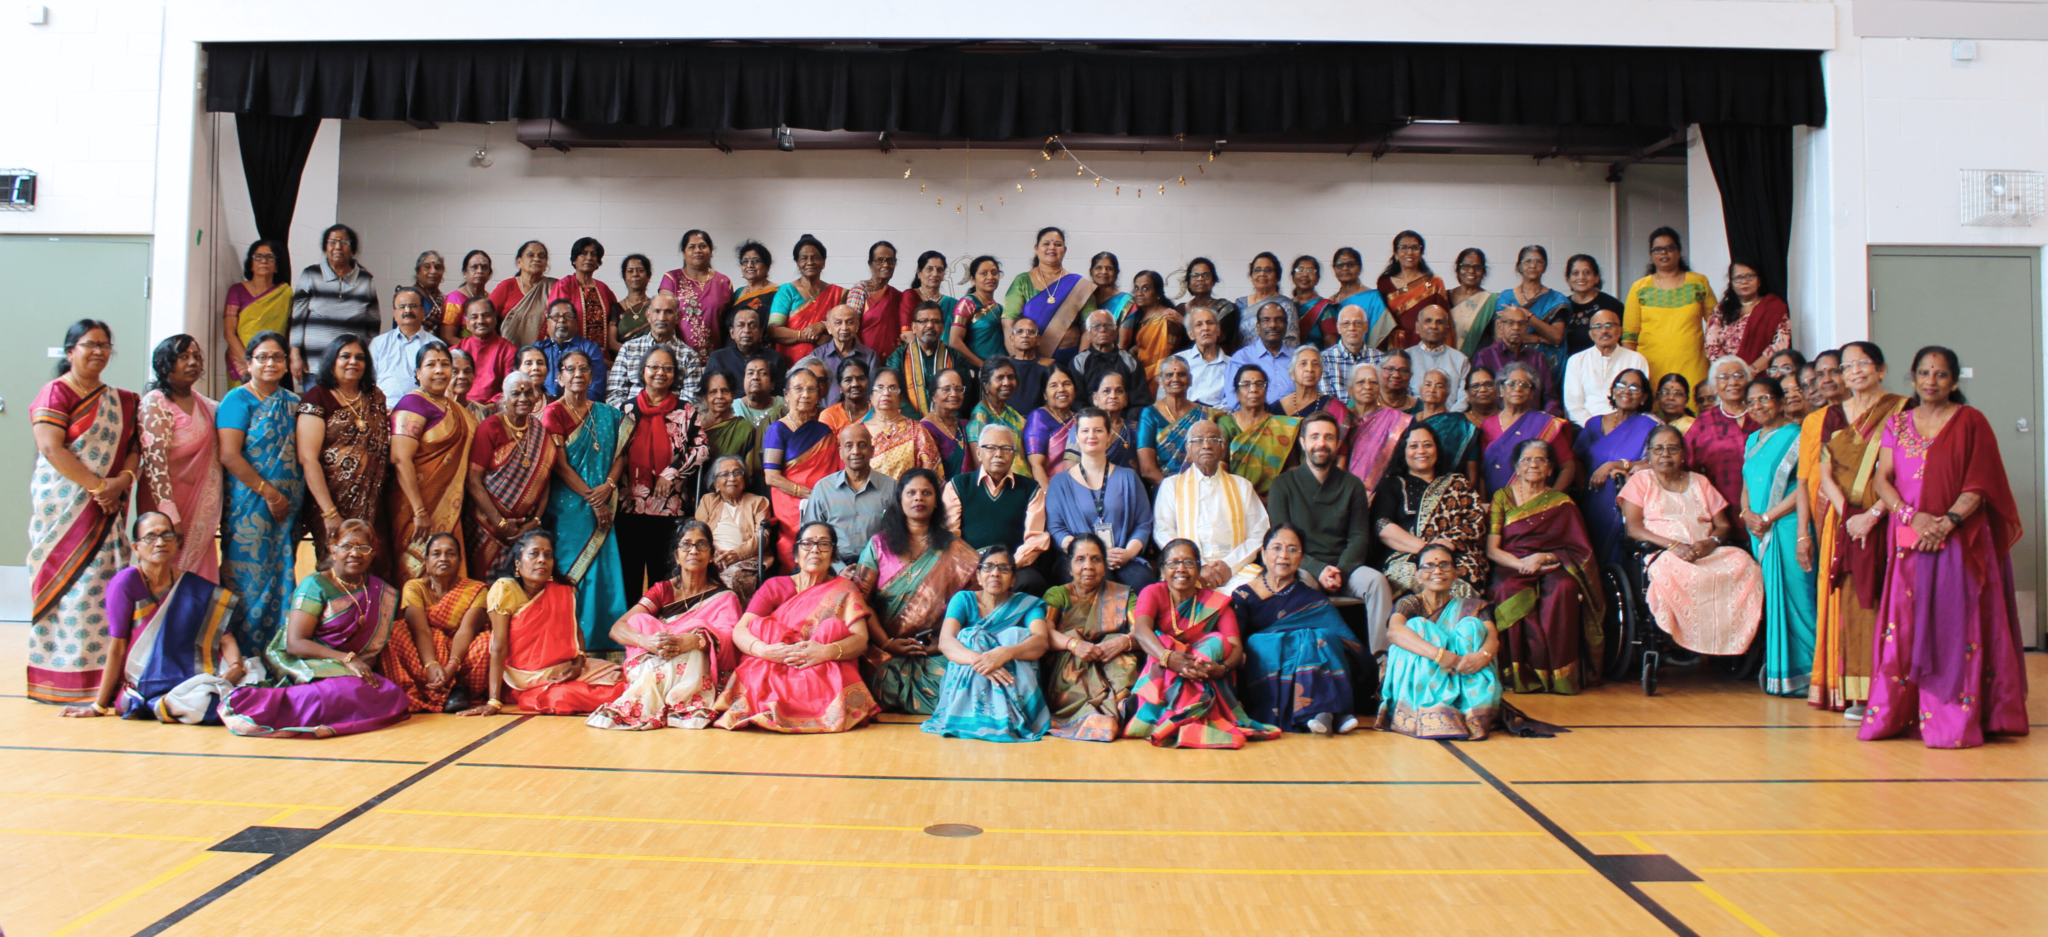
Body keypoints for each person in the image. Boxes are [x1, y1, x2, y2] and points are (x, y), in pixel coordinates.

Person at [1860, 346, 2027, 749]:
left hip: (1961, 539)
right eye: (1924, 373)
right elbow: (1883, 479)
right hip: (1909, 538)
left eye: (1940, 374)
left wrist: (1946, 523)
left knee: (1956, 626)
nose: (1931, 381)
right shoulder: (1897, 424)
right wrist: (1911, 516)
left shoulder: (1971, 422)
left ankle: (1954, 720)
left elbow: (1982, 483)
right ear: (1913, 378)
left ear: (1953, 382)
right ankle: (1895, 714)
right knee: (1906, 625)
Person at [221, 519, 412, 737]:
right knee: (343, 691)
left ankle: (333, 711)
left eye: (364, 548)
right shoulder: (315, 585)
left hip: (351, 669)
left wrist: (357, 663)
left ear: (373, 553)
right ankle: (270, 706)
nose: (355, 553)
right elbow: (295, 644)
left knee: (390, 694)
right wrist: (347, 659)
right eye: (347, 546)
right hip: (312, 661)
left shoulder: (378, 590)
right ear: (333, 549)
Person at [61, 512, 248, 722]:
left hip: (193, 675)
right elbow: (117, 646)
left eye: (167, 535)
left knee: (250, 686)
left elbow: (225, 639)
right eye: (151, 537)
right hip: (148, 679)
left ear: (176, 542)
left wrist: (236, 667)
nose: (160, 543)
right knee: (207, 704)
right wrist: (98, 706)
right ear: (136, 547)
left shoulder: (194, 587)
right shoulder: (126, 583)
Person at [1807, 341, 1906, 717]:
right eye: (1847, 367)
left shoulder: (1902, 410)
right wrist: (1848, 515)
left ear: (1881, 370)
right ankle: (1860, 693)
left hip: (1889, 519)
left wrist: (1874, 514)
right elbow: (1825, 473)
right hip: (1846, 524)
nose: (1854, 371)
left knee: (1890, 599)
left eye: (1862, 364)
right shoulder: (1834, 415)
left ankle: (1895, 690)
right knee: (1852, 602)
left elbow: (1906, 471)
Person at [713, 522, 881, 733]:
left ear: (833, 556)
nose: (815, 550)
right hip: (775, 662)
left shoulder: (845, 589)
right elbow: (741, 630)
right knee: (763, 627)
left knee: (832, 628)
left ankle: (804, 707)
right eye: (807, 543)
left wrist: (825, 651)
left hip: (821, 668)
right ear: (795, 555)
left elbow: (860, 639)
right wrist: (764, 650)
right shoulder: (775, 586)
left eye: (824, 544)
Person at [1621, 425, 1764, 659]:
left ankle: (1729, 640)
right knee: (1675, 572)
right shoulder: (1640, 481)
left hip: (1706, 551)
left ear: (1683, 454)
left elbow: (1723, 525)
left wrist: (1711, 543)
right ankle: (1690, 636)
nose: (1665, 454)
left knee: (1745, 563)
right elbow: (1634, 528)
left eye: (1672, 448)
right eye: (1658, 449)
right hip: (1664, 553)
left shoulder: (1700, 482)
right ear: (1649, 454)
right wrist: (1673, 546)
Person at [854, 469, 989, 715]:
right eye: (911, 493)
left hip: (936, 649)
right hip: (882, 650)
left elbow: (975, 603)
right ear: (900, 499)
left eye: (926, 493)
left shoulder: (955, 549)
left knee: (965, 682)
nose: (919, 498)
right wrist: (887, 642)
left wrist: (941, 643)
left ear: (936, 501)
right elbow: (859, 601)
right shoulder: (879, 545)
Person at [587, 520, 744, 730]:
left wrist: (696, 640)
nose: (693, 551)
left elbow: (729, 639)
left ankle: (659, 699)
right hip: (660, 656)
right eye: (686, 544)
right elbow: (618, 628)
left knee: (699, 633)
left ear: (711, 555)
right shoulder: (663, 590)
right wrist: (647, 642)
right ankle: (657, 696)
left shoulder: (725, 598)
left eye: (701, 544)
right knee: (639, 620)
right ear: (676, 556)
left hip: (696, 668)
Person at [1125, 539, 1280, 749]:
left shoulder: (1217, 602)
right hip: (1165, 667)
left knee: (1216, 642)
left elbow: (1235, 646)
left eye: (1189, 563)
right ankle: (1190, 717)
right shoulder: (1153, 593)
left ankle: (1171, 719)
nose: (1181, 569)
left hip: (1206, 672)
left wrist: (1223, 668)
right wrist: (1169, 658)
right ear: (1162, 570)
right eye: (1173, 563)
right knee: (1161, 639)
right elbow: (1142, 631)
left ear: (1199, 570)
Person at [1267, 413, 1395, 662]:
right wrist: (1319, 570)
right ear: (1303, 442)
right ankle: (1312, 661)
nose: (1321, 443)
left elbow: (1359, 537)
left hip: (1344, 568)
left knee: (1377, 582)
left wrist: (1339, 572)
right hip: (1303, 568)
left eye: (1328, 437)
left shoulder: (1352, 485)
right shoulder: (1283, 485)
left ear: (1337, 444)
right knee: (1301, 584)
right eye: (1314, 437)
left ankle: (1383, 663)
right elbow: (1283, 544)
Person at [462, 529, 625, 717]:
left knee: (623, 677)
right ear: (517, 562)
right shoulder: (505, 590)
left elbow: (577, 632)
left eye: (548, 555)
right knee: (563, 697)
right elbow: (498, 647)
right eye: (534, 554)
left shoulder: (562, 590)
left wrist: (578, 665)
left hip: (565, 668)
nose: (542, 560)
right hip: (526, 677)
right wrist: (493, 701)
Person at [1485, 438, 1603, 694]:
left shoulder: (1562, 502)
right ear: (1517, 467)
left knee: (1565, 588)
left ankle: (1559, 677)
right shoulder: (1502, 497)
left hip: (1552, 564)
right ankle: (1518, 675)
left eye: (1541, 460)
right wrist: (1522, 564)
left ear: (1550, 469)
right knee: (1506, 590)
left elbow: (1579, 549)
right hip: (1511, 564)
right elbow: (1492, 549)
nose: (1533, 465)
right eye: (1527, 460)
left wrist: (1543, 558)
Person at [216, 330, 304, 660]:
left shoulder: (294, 403)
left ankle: (278, 654)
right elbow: (229, 455)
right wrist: (269, 493)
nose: (270, 363)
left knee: (282, 577)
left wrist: (286, 501)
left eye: (278, 357)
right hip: (249, 506)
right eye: (262, 357)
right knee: (247, 580)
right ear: (248, 363)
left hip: (288, 511)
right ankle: (240, 656)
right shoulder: (237, 400)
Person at [539, 350, 630, 653]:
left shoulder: (608, 414)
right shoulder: (553, 413)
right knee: (571, 570)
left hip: (604, 498)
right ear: (559, 377)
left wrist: (609, 485)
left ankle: (605, 646)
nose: (577, 374)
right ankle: (568, 647)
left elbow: (620, 456)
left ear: (592, 376)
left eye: (583, 369)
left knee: (602, 573)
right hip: (568, 510)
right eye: (570, 369)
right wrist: (596, 502)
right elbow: (561, 466)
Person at [1231, 525, 1362, 734]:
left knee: (1322, 637)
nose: (1284, 555)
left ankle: (1324, 712)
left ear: (1301, 559)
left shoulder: (1312, 598)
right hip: (1262, 664)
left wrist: (1306, 638)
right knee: (1264, 642)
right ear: (1263, 554)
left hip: (1305, 659)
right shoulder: (1244, 595)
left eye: (1292, 549)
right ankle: (1330, 712)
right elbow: (1235, 639)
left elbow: (1346, 640)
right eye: (1276, 548)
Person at [919, 545, 1053, 742]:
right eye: (988, 567)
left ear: (1014, 579)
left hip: (1012, 678)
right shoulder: (963, 599)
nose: (995, 573)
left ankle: (1010, 717)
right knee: (970, 637)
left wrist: (1004, 653)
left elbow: (1041, 641)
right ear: (979, 577)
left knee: (1016, 635)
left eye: (1004, 568)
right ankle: (972, 716)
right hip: (974, 669)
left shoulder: (1027, 604)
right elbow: (946, 642)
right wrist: (982, 661)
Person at [1739, 377, 1817, 698]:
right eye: (1751, 402)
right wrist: (1746, 513)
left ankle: (1815, 676)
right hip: (1759, 531)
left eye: (1764, 399)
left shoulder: (1799, 436)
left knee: (1801, 600)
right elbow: (1746, 486)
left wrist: (1768, 517)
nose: (1757, 406)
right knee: (1775, 603)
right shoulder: (1752, 440)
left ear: (1781, 401)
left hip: (1788, 528)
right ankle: (1786, 677)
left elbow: (1805, 487)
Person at [1379, 543, 1502, 740]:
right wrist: (1440, 655)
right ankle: (1430, 709)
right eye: (1428, 566)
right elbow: (1394, 632)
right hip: (1423, 677)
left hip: (1464, 671)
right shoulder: (1409, 603)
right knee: (1418, 626)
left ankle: (1469, 711)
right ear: (1418, 575)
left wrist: (1483, 655)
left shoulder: (1474, 606)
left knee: (1471, 626)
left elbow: (1492, 637)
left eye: (1444, 565)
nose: (1437, 571)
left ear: (1456, 573)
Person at [293, 333, 390, 571]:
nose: (353, 362)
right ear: (331, 362)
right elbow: (308, 459)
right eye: (345, 356)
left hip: (372, 503)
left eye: (360, 357)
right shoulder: (318, 396)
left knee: (372, 565)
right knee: (335, 566)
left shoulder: (375, 397)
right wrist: (329, 513)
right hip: (331, 501)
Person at [616, 347, 708, 593]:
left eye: (667, 368)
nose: (660, 373)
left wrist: (671, 473)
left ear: (675, 374)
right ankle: (633, 618)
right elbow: (614, 453)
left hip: (670, 505)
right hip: (629, 504)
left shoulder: (686, 411)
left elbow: (701, 449)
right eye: (654, 367)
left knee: (664, 577)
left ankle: (662, 617)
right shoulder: (625, 411)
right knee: (629, 576)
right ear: (642, 372)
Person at [388, 342, 479, 585]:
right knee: (415, 572)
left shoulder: (459, 411)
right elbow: (399, 458)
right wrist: (419, 511)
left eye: (445, 364)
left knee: (448, 572)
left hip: (450, 506)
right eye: (431, 364)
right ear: (418, 373)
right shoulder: (412, 404)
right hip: (414, 507)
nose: (439, 370)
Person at [136, 335, 222, 583]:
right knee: (164, 570)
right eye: (183, 357)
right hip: (166, 506)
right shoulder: (156, 403)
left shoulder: (208, 406)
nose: (192, 362)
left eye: (196, 356)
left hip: (200, 511)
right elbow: (155, 466)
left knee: (200, 580)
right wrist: (170, 517)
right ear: (165, 364)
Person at [1040, 535, 1139, 741]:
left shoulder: (1123, 595)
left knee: (1121, 644)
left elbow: (1141, 632)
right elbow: (1043, 634)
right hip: (1073, 671)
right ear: (1069, 567)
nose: (1088, 566)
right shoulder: (1058, 595)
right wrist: (1074, 644)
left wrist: (1123, 641)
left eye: (1096, 559)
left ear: (1104, 565)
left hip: (1110, 664)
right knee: (1071, 641)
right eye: (1080, 559)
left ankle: (1121, 704)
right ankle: (1087, 714)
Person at [1046, 408, 1156, 590]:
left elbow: (1143, 523)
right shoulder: (1060, 483)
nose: (1091, 436)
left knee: (1142, 581)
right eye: (1085, 431)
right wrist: (1088, 554)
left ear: (1109, 435)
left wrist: (1128, 553)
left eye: (1098, 430)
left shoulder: (1129, 478)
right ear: (1076, 437)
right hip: (1077, 559)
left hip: (1122, 556)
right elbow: (1056, 529)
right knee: (1099, 579)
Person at [1373, 423, 1489, 595]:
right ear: (1403, 451)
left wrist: (1449, 544)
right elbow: (1382, 526)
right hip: (1407, 555)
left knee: (1459, 580)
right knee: (1409, 576)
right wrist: (1428, 550)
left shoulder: (1457, 483)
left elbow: (1475, 522)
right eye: (1414, 446)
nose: (1421, 451)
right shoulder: (1393, 484)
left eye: (1427, 445)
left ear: (1437, 450)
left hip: (1456, 556)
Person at [1153, 420, 1269, 592]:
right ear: (1188, 449)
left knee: (1260, 591)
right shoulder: (1171, 485)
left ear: (1223, 449)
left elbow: (1260, 532)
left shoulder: (1242, 486)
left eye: (1214, 440)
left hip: (1236, 571)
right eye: (1198, 440)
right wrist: (1198, 566)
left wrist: (1229, 565)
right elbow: (1163, 531)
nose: (1206, 446)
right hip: (1187, 569)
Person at [382, 532, 491, 714]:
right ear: (426, 561)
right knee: (394, 631)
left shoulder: (476, 589)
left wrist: (452, 666)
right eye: (436, 554)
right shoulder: (414, 587)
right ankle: (432, 691)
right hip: (424, 653)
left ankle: (457, 688)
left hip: (461, 654)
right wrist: (430, 664)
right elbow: (420, 630)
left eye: (450, 553)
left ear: (460, 561)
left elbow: (466, 630)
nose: (443, 559)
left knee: (488, 641)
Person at [464, 371, 554, 582]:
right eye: (516, 394)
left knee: (522, 583)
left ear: (536, 397)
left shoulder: (539, 431)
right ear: (504, 398)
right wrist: (501, 524)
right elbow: (473, 481)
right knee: (487, 585)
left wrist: (536, 520)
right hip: (487, 526)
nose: (523, 399)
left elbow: (545, 478)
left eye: (528, 393)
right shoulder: (490, 428)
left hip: (526, 528)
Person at [1574, 368, 1659, 565]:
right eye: (1621, 385)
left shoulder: (1649, 425)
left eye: (1635, 388)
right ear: (1613, 391)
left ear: (1644, 397)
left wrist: (1616, 465)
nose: (1626, 391)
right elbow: (1575, 458)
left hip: (1626, 502)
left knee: (1617, 560)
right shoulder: (1594, 424)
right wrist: (1584, 486)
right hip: (1593, 502)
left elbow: (1655, 461)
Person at [763, 368, 843, 569]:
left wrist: (821, 498)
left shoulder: (824, 432)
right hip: (791, 505)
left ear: (818, 396)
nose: (805, 394)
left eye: (811, 389)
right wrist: (806, 494)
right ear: (786, 395)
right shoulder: (777, 430)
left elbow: (836, 472)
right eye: (798, 389)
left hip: (825, 502)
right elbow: (771, 477)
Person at [1623, 226, 1713, 390]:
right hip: (1651, 367)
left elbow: (1717, 325)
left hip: (1693, 364)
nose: (1664, 253)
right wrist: (1632, 372)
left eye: (1669, 248)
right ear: (1651, 255)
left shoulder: (1699, 283)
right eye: (1658, 249)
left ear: (1679, 252)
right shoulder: (1640, 288)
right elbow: (1629, 337)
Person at [288, 223, 380, 382]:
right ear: (325, 248)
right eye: (332, 242)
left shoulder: (365, 280)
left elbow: (373, 326)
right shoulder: (310, 275)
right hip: (315, 364)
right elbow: (297, 320)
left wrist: (366, 359)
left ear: (352, 250)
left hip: (352, 366)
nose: (338, 247)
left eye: (344, 242)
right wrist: (295, 355)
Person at [1480, 362, 1576, 494]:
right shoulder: (1487, 424)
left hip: (1536, 501)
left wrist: (1550, 498)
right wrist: (1484, 501)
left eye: (1524, 385)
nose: (1518, 389)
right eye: (1511, 384)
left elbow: (1568, 467)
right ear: (1501, 390)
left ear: (1532, 393)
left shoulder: (1545, 423)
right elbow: (1481, 471)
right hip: (1495, 501)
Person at [1686, 356, 1762, 512]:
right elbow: (1686, 465)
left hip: (1768, 506)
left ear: (1749, 381)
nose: (1733, 382)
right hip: (1721, 510)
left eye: (1739, 376)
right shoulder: (1704, 423)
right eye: (1724, 377)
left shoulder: (1762, 414)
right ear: (1714, 386)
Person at [1005, 227, 1092, 362]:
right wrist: (1020, 361)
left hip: (1071, 358)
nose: (1052, 247)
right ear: (1036, 249)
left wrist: (1081, 362)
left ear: (1064, 250)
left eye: (1058, 244)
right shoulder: (1022, 281)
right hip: (1032, 360)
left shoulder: (1079, 285)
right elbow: (1008, 325)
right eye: (1046, 243)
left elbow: (1090, 328)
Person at [1218, 364, 1300, 498]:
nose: (1253, 389)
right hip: (1235, 498)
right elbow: (1221, 469)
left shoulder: (1282, 427)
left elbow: (1292, 469)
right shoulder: (1226, 424)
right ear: (1237, 394)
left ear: (1266, 391)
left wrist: (1276, 499)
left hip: (1274, 500)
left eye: (1259, 384)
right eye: (1246, 385)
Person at [610, 295, 707, 408]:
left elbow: (692, 401)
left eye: (668, 312)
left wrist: (669, 418)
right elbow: (614, 394)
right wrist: (629, 415)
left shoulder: (689, 355)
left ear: (678, 317)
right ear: (648, 315)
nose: (662, 318)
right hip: (631, 416)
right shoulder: (629, 349)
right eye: (657, 311)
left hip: (674, 416)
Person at [695, 455, 770, 600]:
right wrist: (713, 554)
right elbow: (698, 533)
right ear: (716, 484)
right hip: (711, 556)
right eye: (724, 474)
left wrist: (736, 555)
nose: (732, 478)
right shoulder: (708, 501)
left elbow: (763, 537)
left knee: (731, 581)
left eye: (737, 473)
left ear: (744, 480)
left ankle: (729, 614)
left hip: (745, 560)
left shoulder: (758, 502)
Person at [767, 234, 846, 366]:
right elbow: (774, 330)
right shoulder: (786, 291)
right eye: (804, 258)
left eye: (815, 257)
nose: (810, 262)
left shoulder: (838, 294)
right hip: (790, 366)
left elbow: (845, 327)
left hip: (827, 366)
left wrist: (823, 325)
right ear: (798, 264)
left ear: (823, 263)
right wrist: (809, 336)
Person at [1563, 308, 1651, 424]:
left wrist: (1619, 427)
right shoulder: (1576, 361)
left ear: (1620, 331)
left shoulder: (1636, 359)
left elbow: (1640, 400)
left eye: (1609, 325)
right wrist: (1596, 427)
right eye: (1598, 327)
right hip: (1587, 427)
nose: (1604, 330)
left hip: (1627, 426)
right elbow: (1573, 406)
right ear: (1591, 334)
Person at [1473, 305, 1563, 418]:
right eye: (1510, 323)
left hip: (1534, 421)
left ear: (1527, 328)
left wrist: (1546, 418)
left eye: (1521, 323)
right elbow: (1480, 397)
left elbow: (1550, 397)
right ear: (1500, 326)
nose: (1516, 327)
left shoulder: (1537, 358)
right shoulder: (1485, 356)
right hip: (1498, 421)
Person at [1703, 260, 1790, 375]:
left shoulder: (1774, 308)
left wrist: (1752, 370)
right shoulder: (1721, 311)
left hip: (1763, 375)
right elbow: (1711, 345)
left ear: (1759, 280)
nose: (1744, 281)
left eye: (1749, 276)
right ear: (1731, 283)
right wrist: (1732, 371)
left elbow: (1780, 344)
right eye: (1738, 278)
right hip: (1727, 375)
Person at [1135, 356, 1212, 485]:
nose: (1175, 379)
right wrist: (1173, 490)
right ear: (1161, 382)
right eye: (1169, 375)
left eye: (1181, 374)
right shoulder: (1149, 414)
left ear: (1190, 380)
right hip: (1162, 488)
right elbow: (1147, 469)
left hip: (1201, 486)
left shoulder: (1204, 413)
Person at [1495, 245, 1571, 376]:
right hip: (1512, 366)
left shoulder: (1556, 300)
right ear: (1519, 267)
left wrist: (1528, 316)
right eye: (1528, 261)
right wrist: (1539, 338)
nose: (1533, 265)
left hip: (1547, 368)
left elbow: (1557, 337)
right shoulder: (1506, 297)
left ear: (1545, 267)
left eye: (1538, 261)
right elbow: (1501, 337)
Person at [223, 239, 291, 385]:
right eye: (258, 257)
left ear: (276, 267)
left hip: (271, 361)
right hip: (241, 360)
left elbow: (288, 332)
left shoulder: (285, 294)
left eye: (269, 257)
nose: (263, 261)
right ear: (251, 264)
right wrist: (248, 362)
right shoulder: (237, 291)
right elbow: (229, 333)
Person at [1343, 362, 1412, 500]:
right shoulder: (1340, 419)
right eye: (1361, 382)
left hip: (1382, 495)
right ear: (1350, 390)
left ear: (1380, 388)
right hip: (1341, 493)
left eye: (1373, 382)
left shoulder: (1396, 420)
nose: (1368, 387)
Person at [657, 230, 731, 357]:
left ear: (711, 252)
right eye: (692, 247)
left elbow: (728, 323)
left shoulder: (724, 282)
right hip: (679, 356)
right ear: (684, 253)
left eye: (702, 246)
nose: (698, 250)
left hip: (715, 357)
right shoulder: (672, 279)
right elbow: (664, 318)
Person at [1375, 231, 1450, 352]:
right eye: (1404, 247)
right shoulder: (1384, 283)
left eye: (1415, 247)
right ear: (1396, 253)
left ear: (1421, 253)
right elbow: (1380, 323)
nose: (1409, 252)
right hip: (1394, 348)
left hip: (1426, 347)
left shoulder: (1434, 283)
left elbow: (1445, 321)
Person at [547, 236, 621, 354]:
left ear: (598, 263)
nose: (589, 258)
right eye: (583, 253)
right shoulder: (564, 286)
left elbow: (615, 321)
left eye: (593, 254)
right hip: (571, 354)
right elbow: (555, 323)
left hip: (601, 357)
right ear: (574, 260)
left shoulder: (603, 289)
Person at [864, 368, 942, 478]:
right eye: (880, 387)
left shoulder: (917, 431)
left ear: (901, 397)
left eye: (893, 388)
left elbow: (932, 475)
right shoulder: (858, 432)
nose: (886, 393)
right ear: (870, 396)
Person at [886, 300, 956, 419]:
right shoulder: (898, 357)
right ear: (914, 327)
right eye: (923, 321)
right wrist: (920, 423)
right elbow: (894, 392)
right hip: (908, 423)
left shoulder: (955, 357)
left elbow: (962, 393)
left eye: (935, 321)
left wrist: (942, 422)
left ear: (943, 328)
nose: (929, 325)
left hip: (947, 422)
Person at [696, 370, 760, 496]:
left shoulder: (744, 430)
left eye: (725, 391)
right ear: (705, 397)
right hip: (695, 492)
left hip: (732, 494)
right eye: (713, 392)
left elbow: (750, 474)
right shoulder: (694, 427)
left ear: (733, 395)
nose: (720, 396)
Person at [1073, 310, 1151, 409]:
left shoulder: (1130, 361)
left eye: (1108, 325)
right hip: (1090, 417)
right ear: (1088, 334)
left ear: (1116, 331)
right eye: (1096, 326)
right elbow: (1076, 402)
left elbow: (1141, 400)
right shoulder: (1079, 362)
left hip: (1125, 417)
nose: (1103, 329)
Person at [966, 356, 1030, 476]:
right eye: (1000, 378)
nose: (1007, 383)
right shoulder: (980, 417)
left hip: (1024, 481)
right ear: (986, 385)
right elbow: (981, 464)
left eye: (1011, 377)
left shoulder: (1012, 413)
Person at [370, 287, 437, 400]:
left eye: (413, 306)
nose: (407, 311)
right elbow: (369, 380)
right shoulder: (378, 343)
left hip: (423, 408)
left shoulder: (435, 345)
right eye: (402, 307)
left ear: (423, 312)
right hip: (385, 407)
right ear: (395, 314)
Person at [1227, 301, 1298, 407]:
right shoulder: (1241, 358)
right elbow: (1233, 398)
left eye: (1279, 320)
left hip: (1295, 416)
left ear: (1286, 326)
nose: (1273, 325)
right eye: (1266, 320)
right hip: (1254, 415)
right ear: (1258, 326)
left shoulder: (1298, 358)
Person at [537, 299, 610, 401]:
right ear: (547, 322)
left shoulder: (590, 350)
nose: (561, 320)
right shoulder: (538, 349)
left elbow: (594, 391)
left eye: (568, 316)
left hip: (578, 407)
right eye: (555, 316)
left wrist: (565, 407)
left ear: (576, 322)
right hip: (540, 407)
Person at [491, 240, 558, 349]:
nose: (536, 259)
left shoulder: (555, 286)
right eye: (530, 255)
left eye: (541, 256)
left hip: (546, 352)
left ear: (546, 264)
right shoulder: (507, 286)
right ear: (519, 262)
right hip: (509, 352)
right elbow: (487, 315)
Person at [843, 241, 904, 358]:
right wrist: (862, 358)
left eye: (890, 260)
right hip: (865, 359)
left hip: (893, 361)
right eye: (880, 260)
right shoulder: (861, 289)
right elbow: (850, 326)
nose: (885, 265)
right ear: (870, 264)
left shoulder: (897, 295)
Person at [452, 297, 518, 407]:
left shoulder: (508, 351)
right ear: (467, 323)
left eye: (486, 315)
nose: (480, 321)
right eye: (474, 317)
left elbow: (510, 388)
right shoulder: (456, 350)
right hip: (457, 407)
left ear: (495, 319)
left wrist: (486, 409)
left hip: (491, 409)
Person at [1127, 270, 1188, 386]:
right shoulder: (1138, 317)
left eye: (1145, 289)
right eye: (1136, 288)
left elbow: (1161, 361)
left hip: (1157, 382)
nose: (1139, 293)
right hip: (1138, 378)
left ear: (1158, 293)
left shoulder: (1165, 321)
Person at [707, 307, 783, 400]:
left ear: (760, 333)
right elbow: (708, 394)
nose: (746, 330)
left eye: (752, 325)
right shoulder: (717, 358)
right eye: (740, 325)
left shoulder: (775, 358)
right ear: (732, 333)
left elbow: (780, 397)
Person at [1404, 305, 1471, 412]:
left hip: (1450, 419)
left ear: (1447, 329)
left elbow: (1464, 398)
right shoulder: (1405, 358)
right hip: (1414, 418)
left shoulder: (1460, 360)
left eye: (1439, 322)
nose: (1433, 326)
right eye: (1428, 321)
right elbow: (1402, 397)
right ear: (1417, 327)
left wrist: (1447, 418)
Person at [1559, 254, 1625, 361]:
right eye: (1576, 273)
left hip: (1608, 364)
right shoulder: (1562, 307)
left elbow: (1624, 341)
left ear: (1596, 278)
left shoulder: (1612, 305)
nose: (1581, 277)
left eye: (1587, 272)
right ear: (1568, 280)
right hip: (1571, 367)